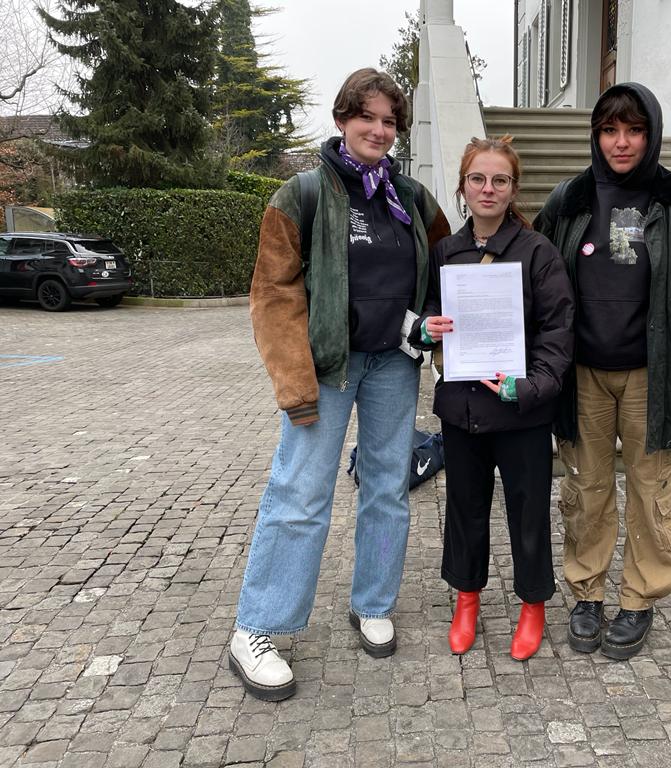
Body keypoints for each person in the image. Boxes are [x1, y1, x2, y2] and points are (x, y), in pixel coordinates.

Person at [229, 68, 450, 701]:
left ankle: (372, 603)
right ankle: (257, 627)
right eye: (368, 118)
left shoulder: (410, 197)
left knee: (388, 488)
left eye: (390, 121)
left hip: (393, 366)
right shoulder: (300, 195)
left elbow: (444, 267)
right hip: (327, 369)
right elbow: (272, 297)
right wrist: (294, 385)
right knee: (300, 494)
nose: (379, 130)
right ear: (343, 120)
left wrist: (431, 326)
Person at [533, 83, 671, 660]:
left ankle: (638, 599)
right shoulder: (568, 198)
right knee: (587, 489)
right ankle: (587, 594)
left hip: (653, 376)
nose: (622, 142)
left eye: (634, 130)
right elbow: (532, 274)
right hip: (583, 375)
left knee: (651, 491)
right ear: (596, 134)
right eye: (610, 130)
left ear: (651, 135)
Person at [411, 137, 573, 661]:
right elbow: (431, 311)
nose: (488, 189)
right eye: (478, 179)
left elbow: (558, 330)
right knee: (464, 507)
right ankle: (467, 598)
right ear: (462, 188)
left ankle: (532, 606)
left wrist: (529, 386)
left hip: (521, 409)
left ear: (513, 190)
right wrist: (431, 328)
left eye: (499, 180)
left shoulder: (537, 252)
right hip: (463, 409)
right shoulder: (446, 252)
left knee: (528, 511)